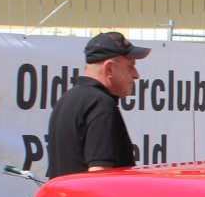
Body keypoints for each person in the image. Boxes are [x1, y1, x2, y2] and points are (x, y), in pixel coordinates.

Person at [45, 31, 151, 178]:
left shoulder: (68, 99)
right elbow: (99, 176)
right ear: (109, 69)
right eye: (130, 66)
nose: (136, 74)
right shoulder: (100, 105)